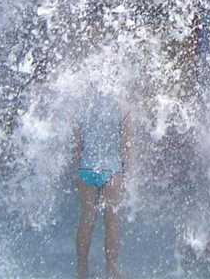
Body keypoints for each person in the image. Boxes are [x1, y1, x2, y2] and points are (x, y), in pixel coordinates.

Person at [74, 89, 133, 279]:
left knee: (87, 219)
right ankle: (111, 268)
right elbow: (126, 145)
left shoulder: (83, 103)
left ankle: (82, 270)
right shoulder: (123, 105)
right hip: (112, 171)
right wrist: (127, 172)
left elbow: (78, 145)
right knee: (112, 222)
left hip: (87, 168)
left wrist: (79, 167)